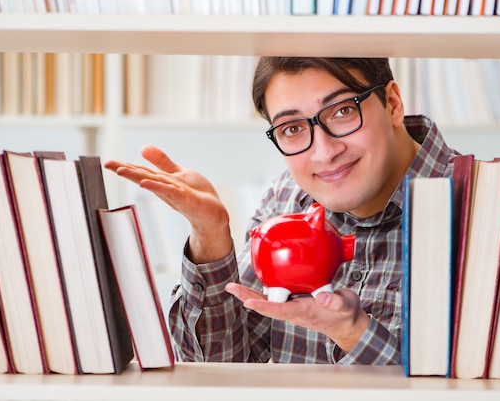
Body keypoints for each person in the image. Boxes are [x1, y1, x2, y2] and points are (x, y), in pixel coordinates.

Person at [104, 57, 460, 364]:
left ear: (393, 103)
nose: (323, 152)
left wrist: (351, 333)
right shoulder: (287, 198)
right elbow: (220, 368)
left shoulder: (483, 208)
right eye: (292, 128)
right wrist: (210, 235)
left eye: (343, 111)